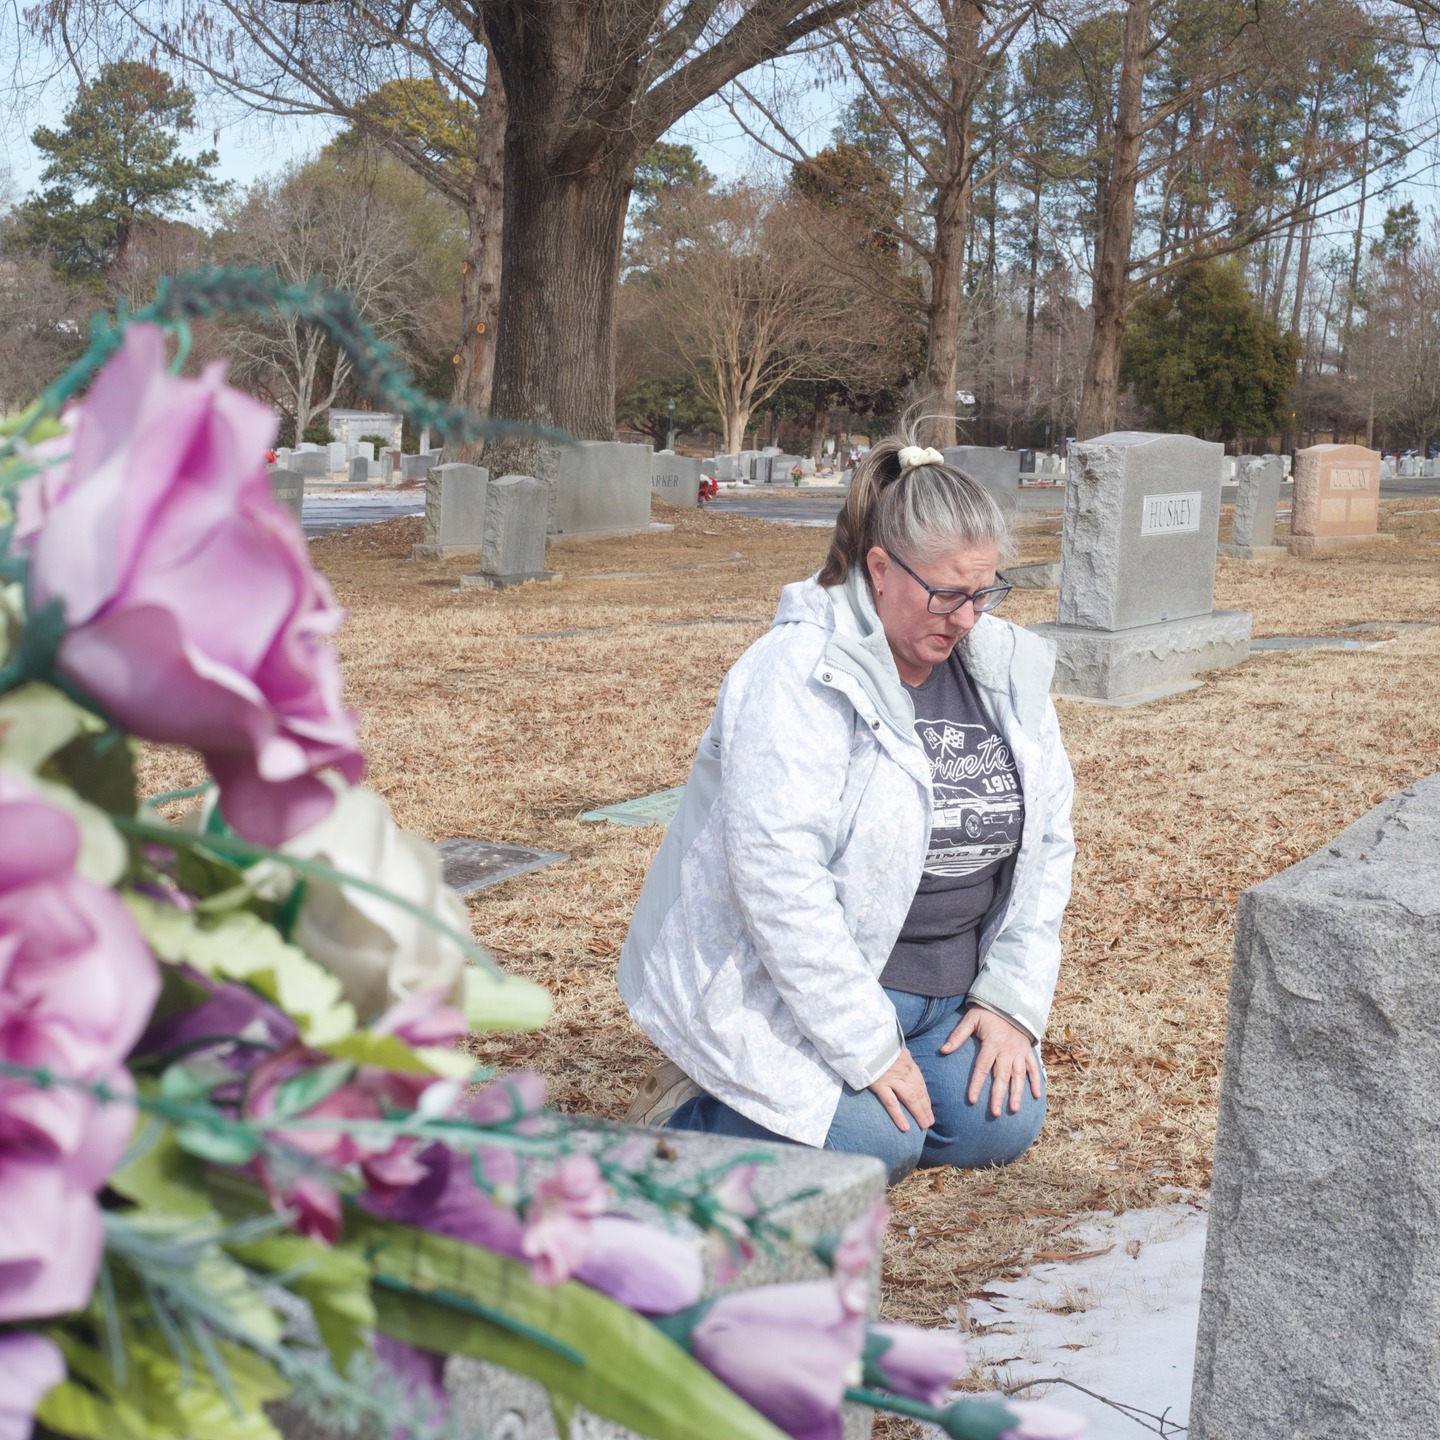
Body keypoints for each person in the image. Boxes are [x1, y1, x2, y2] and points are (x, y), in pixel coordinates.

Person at [617, 429, 1075, 1184]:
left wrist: (1009, 1002)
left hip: (946, 989)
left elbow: (1047, 843)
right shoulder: (797, 672)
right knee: (877, 1144)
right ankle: (689, 1117)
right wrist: (868, 1045)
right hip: (796, 988)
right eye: (946, 594)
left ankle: (823, 1105)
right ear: (879, 569)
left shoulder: (1001, 666)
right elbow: (778, 879)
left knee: (1000, 1120)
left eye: (984, 591)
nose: (966, 619)